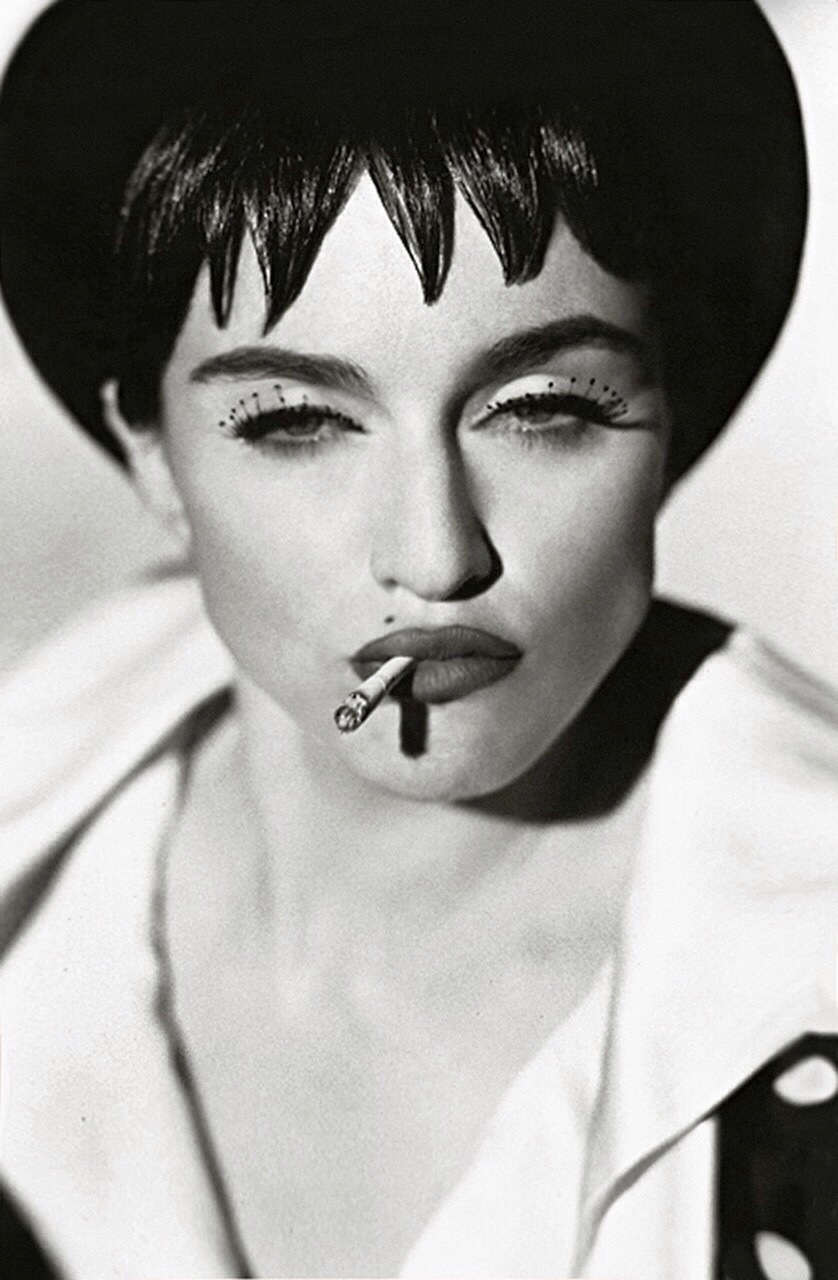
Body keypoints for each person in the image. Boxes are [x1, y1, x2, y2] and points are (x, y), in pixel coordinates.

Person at [1, 3, 836, 1278]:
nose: (436, 558)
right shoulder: (40, 830)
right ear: (152, 455)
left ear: (671, 416)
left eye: (541, 407)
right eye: (294, 421)